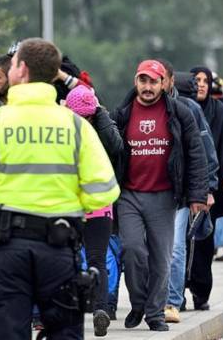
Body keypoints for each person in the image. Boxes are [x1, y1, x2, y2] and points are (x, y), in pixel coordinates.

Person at [0, 38, 119, 340]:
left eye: (12, 65)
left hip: (6, 249)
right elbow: (103, 191)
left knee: (7, 331)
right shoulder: (75, 125)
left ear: (22, 70)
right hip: (60, 247)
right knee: (64, 332)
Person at [113, 60, 207, 332]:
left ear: (163, 84)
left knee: (162, 259)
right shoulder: (123, 113)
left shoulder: (179, 113)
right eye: (143, 81)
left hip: (165, 196)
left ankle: (155, 313)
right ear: (136, 82)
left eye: (153, 81)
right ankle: (139, 302)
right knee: (132, 251)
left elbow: (196, 154)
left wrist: (198, 194)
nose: (148, 87)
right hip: (129, 194)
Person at [156, 60, 219, 324]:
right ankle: (154, 299)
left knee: (176, 247)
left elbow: (205, 151)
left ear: (169, 81)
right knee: (151, 249)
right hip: (149, 190)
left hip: (180, 191)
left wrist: (207, 187)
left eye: (160, 79)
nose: (154, 85)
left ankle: (172, 301)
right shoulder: (136, 108)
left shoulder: (189, 109)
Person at [65, 84, 123, 336]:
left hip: (71, 205)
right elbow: (118, 149)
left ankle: (72, 308)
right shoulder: (103, 130)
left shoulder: (64, 131)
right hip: (100, 204)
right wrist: (100, 114)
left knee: (69, 258)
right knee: (98, 259)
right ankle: (101, 307)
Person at [188, 66, 223, 307]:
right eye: (196, 80)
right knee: (180, 244)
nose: (200, 84)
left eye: (204, 80)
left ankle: (200, 291)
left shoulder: (222, 113)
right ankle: (177, 293)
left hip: (212, 189)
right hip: (185, 189)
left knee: (205, 243)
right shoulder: (182, 109)